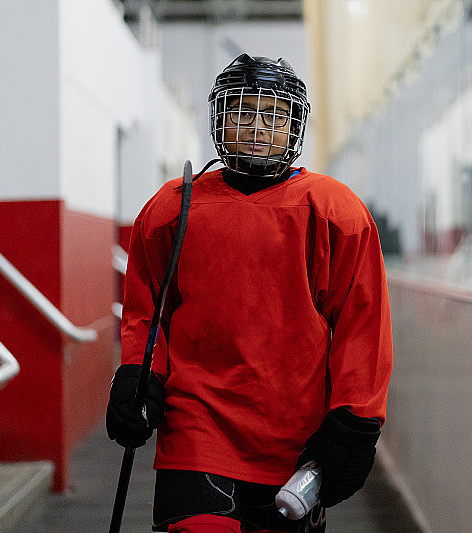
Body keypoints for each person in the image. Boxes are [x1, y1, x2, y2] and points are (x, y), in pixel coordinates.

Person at [106, 54, 394, 533]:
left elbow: (361, 325)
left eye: (275, 116)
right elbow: (147, 313)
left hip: (295, 440)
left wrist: (356, 416)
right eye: (243, 112)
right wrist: (139, 374)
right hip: (197, 428)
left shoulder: (335, 212)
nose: (259, 128)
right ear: (221, 121)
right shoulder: (171, 211)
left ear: (294, 126)